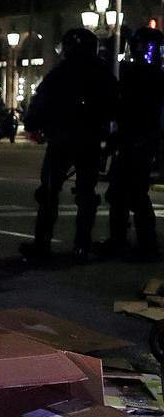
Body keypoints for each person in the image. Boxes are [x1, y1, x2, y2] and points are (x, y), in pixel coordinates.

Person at [21, 28, 118, 263]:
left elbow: (39, 104)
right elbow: (115, 106)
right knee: (86, 194)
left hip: (62, 140)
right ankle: (81, 245)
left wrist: (34, 123)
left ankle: (42, 244)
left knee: (50, 192)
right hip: (90, 142)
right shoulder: (102, 74)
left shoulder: (60, 74)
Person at [101, 26, 164, 262]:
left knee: (127, 193)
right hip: (140, 141)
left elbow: (127, 112)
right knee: (130, 193)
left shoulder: (141, 77)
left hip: (135, 141)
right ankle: (140, 242)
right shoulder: (154, 76)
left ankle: (132, 242)